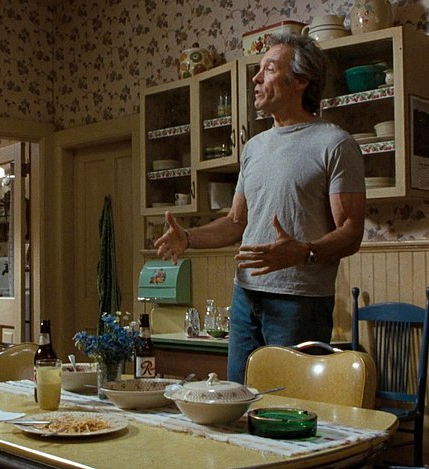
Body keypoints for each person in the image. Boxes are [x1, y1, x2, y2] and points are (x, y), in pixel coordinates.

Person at [155, 33, 366, 384]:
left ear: (300, 80)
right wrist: (187, 238)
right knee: (238, 400)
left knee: (289, 405)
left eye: (268, 69)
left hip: (299, 302)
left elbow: (352, 232)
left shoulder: (335, 143)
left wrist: (304, 253)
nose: (255, 78)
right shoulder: (254, 147)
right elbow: (236, 221)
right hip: (245, 297)